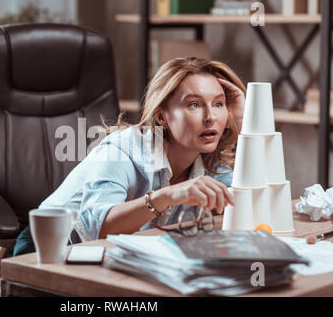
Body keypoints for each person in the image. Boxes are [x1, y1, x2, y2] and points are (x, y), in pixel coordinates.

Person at [13, 57, 246, 256]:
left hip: (110, 254)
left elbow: (251, 204)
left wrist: (245, 124)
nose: (210, 117)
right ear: (162, 116)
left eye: (218, 104)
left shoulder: (209, 162)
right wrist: (168, 195)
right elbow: (99, 228)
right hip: (46, 249)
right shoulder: (121, 150)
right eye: (194, 105)